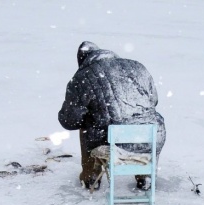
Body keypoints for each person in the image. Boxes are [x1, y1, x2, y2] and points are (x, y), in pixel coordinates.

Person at [58, 41, 166, 190]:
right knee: (143, 119)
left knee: (86, 125)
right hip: (152, 137)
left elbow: (69, 121)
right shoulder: (138, 67)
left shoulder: (82, 77)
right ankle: (144, 175)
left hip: (115, 143)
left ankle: (91, 177)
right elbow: (153, 101)